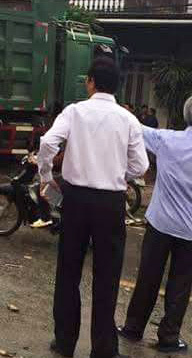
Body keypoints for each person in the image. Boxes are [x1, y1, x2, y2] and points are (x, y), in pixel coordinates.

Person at [38, 57, 148, 358]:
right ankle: (103, 348)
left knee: (69, 272)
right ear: (117, 86)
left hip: (75, 200)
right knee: (107, 276)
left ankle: (64, 342)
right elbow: (141, 165)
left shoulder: (75, 112)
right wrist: (117, 175)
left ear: (90, 82)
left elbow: (48, 144)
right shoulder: (127, 119)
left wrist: (47, 177)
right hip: (110, 203)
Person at [117, 95, 192, 353]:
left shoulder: (166, 140)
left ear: (185, 115)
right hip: (189, 231)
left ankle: (133, 328)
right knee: (180, 285)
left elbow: (136, 127)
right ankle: (168, 337)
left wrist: (115, 107)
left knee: (148, 277)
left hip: (159, 223)